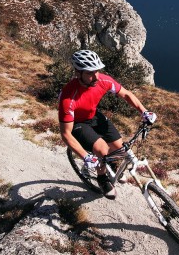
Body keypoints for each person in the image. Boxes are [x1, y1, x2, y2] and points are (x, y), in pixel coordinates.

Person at [58, 49, 156, 199]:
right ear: (78, 73)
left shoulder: (103, 80)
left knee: (121, 149)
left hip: (94, 116)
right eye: (90, 73)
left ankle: (111, 164)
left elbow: (126, 94)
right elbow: (65, 133)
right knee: (102, 149)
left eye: (97, 71)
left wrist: (144, 112)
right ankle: (102, 179)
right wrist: (85, 156)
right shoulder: (68, 98)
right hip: (78, 123)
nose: (95, 76)